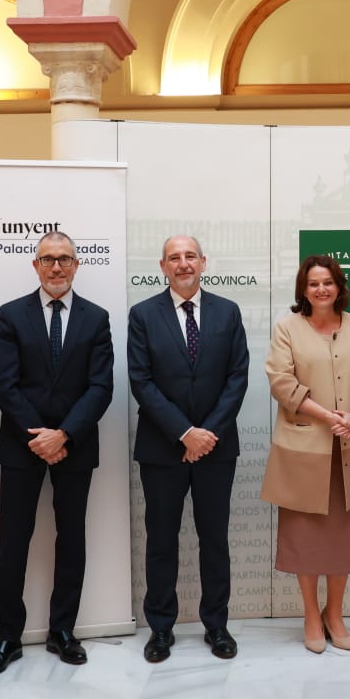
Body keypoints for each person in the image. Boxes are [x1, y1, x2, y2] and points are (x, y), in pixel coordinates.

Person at [0, 230, 115, 677]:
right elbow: (5, 385)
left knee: (71, 539)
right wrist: (40, 437)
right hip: (22, 445)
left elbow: (100, 387)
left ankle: (62, 631)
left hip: (75, 446)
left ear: (77, 264)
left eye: (64, 259)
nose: (56, 267)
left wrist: (64, 435)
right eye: (48, 259)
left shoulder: (97, 318)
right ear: (35, 265)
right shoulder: (11, 314)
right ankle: (7, 637)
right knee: (13, 540)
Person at [128, 235, 249, 664]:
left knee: (214, 539)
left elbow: (237, 377)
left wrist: (206, 434)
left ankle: (216, 625)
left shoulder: (228, 312)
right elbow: (141, 381)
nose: (183, 263)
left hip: (216, 447)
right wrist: (184, 433)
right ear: (163, 266)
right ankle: (161, 628)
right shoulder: (143, 315)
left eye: (190, 256)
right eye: (174, 257)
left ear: (203, 262)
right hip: (162, 448)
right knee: (161, 541)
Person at [261, 254, 350, 653]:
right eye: (313, 283)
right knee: (305, 539)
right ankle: (311, 614)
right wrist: (326, 415)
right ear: (304, 289)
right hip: (303, 451)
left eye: (328, 282)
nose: (321, 289)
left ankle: (335, 613)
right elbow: (280, 381)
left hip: (349, 447)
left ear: (339, 286)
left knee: (344, 538)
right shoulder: (287, 327)